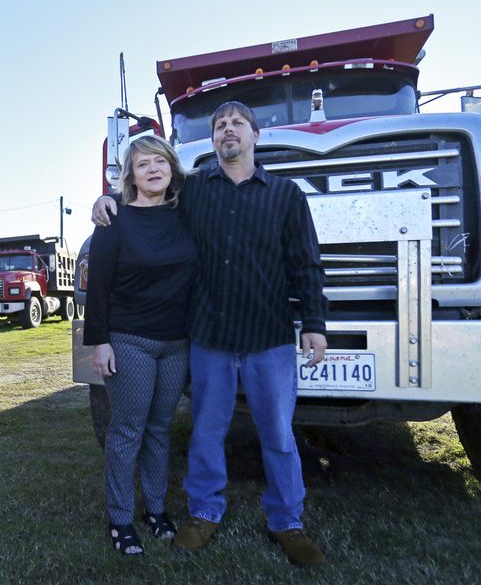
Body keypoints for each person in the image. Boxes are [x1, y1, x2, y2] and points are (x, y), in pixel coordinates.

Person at [91, 101, 328, 566]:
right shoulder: (194, 192)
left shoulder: (286, 195)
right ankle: (202, 513)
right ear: (213, 140)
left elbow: (305, 262)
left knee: (279, 434)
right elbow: (144, 201)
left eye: (237, 123)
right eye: (219, 125)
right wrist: (106, 201)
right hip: (211, 338)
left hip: (269, 335)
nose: (227, 130)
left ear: (256, 135)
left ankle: (288, 522)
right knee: (206, 433)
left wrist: (315, 324)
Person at [84, 135, 198, 556]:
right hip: (129, 340)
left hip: (176, 342)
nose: (152, 169)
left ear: (172, 168)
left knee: (159, 429)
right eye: (142, 164)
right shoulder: (114, 221)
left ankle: (155, 509)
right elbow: (98, 288)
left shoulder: (186, 215)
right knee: (126, 430)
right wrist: (100, 343)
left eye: (159, 161)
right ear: (130, 175)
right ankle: (119, 519)